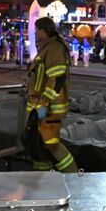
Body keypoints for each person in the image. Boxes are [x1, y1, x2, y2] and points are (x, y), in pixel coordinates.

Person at [24, 17, 78, 172]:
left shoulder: (53, 48)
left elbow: (57, 79)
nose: (34, 32)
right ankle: (42, 179)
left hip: (49, 108)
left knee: (51, 144)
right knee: (39, 144)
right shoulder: (48, 47)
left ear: (44, 30)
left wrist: (43, 103)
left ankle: (74, 176)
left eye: (36, 29)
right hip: (43, 107)